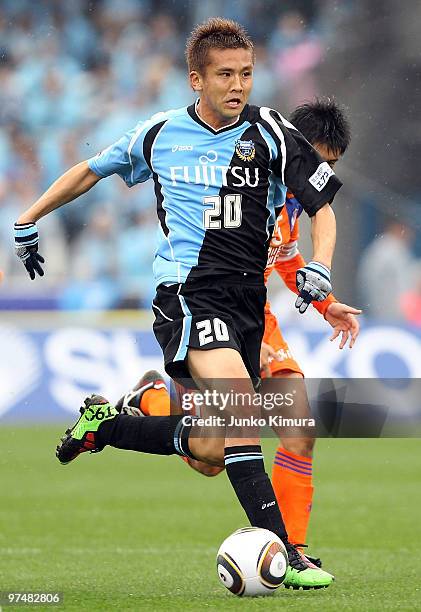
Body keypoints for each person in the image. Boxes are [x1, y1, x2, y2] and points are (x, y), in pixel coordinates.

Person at [14, 18, 341, 589]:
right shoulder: (159, 133)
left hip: (246, 302)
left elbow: (324, 208)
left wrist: (321, 268)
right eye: (225, 75)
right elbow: (91, 171)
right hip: (187, 295)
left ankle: (106, 428)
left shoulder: (271, 132)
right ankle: (287, 553)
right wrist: (29, 216)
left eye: (246, 74)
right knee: (243, 411)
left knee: (212, 449)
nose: (238, 86)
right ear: (197, 79)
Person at [115, 98, 360, 563]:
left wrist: (325, 303)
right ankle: (150, 400)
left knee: (297, 427)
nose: (322, 177)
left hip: (257, 317)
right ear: (295, 148)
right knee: (209, 457)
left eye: (331, 167)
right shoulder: (241, 188)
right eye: (320, 162)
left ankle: (295, 550)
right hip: (218, 313)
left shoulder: (288, 205)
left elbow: (285, 256)